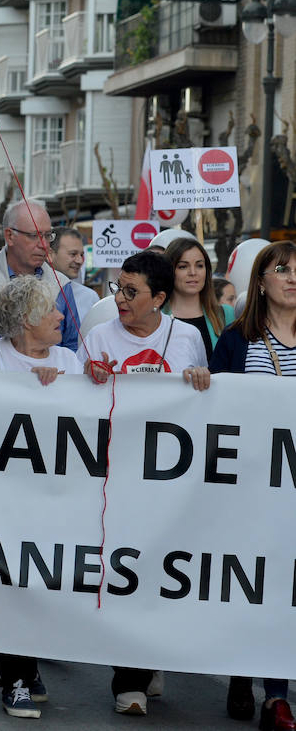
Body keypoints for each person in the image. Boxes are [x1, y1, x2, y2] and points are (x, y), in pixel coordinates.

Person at [80, 249, 209, 716]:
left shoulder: (188, 338)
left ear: (159, 298)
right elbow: (72, 410)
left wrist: (200, 379)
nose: (120, 299)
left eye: (131, 292)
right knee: (126, 570)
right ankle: (127, 680)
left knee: (163, 569)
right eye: (118, 288)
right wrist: (88, 380)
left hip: (170, 480)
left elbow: (206, 403)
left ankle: (150, 656)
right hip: (118, 478)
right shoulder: (97, 337)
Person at [0, 276, 81, 719]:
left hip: (56, 498)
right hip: (4, 500)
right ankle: (13, 680)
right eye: (51, 310)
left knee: (43, 588)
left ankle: (29, 667)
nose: (60, 317)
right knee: (12, 588)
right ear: (24, 321)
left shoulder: (70, 358)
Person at [211, 240, 296, 730]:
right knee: (253, 586)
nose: (290, 278)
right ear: (260, 282)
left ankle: (276, 696)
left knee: (286, 590)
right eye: (280, 269)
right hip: (247, 491)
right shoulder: (236, 340)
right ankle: (245, 673)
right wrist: (202, 381)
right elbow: (213, 414)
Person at [0, 199, 81, 362]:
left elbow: (73, 349)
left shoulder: (61, 286)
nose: (44, 245)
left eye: (48, 236)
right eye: (34, 236)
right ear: (10, 236)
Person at [163, 237, 233, 363]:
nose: (193, 272)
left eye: (200, 265)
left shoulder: (226, 314)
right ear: (169, 270)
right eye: (183, 266)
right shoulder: (155, 315)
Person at [48, 226, 98, 313]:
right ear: (50, 255)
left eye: (81, 255)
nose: (80, 261)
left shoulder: (90, 297)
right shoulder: (33, 293)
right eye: (73, 254)